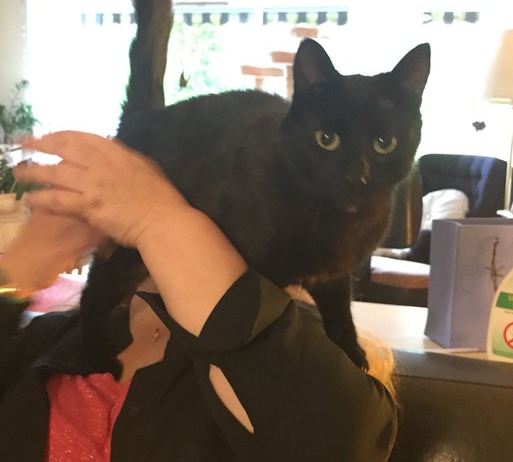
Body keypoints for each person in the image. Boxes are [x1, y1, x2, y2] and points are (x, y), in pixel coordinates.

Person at [0, 131, 396, 462]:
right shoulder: (55, 337)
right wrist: (22, 266)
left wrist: (157, 218)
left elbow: (339, 441)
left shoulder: (298, 356)